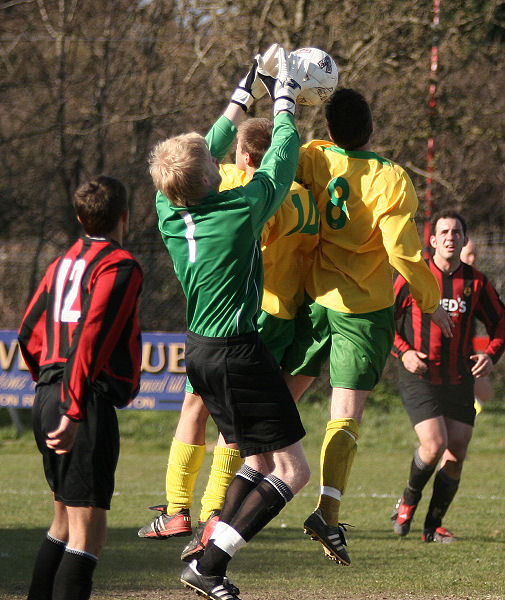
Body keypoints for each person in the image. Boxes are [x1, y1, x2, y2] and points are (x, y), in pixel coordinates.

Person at [149, 48, 317, 600]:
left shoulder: (169, 209)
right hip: (237, 351)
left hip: (199, 352)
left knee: (256, 460)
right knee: (292, 473)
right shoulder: (239, 210)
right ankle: (212, 562)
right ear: (211, 174)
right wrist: (286, 98)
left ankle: (208, 546)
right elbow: (283, 159)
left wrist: (244, 93)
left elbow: (204, 151)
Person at [280, 87, 454, 565]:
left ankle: (221, 498)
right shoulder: (390, 177)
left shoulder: (315, 157)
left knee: (275, 402)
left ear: (329, 129)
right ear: (371, 127)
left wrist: (285, 100)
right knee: (345, 414)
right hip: (363, 310)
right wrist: (429, 299)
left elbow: (278, 162)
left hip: (314, 299)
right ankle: (327, 514)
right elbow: (401, 250)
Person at [18, 176, 143, 600]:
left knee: (63, 524)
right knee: (87, 536)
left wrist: (49, 389)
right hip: (82, 403)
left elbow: (28, 330)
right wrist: (73, 408)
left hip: (48, 394)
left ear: (78, 218)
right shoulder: (119, 264)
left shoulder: (61, 262)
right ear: (124, 217)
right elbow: (92, 335)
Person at [391, 210, 505, 543]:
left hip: (459, 379)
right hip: (421, 375)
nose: (449, 237)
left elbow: (501, 322)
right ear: (432, 240)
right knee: (434, 444)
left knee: (456, 451)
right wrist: (405, 352)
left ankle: (432, 528)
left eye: (456, 232)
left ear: (464, 239)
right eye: (443, 232)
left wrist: (491, 354)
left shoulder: (476, 282)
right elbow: (384, 322)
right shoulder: (414, 277)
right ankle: (408, 501)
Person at [459, 238, 495, 413]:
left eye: (475, 255)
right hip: (445, 347)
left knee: (486, 393)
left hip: (467, 345)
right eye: (469, 255)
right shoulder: (444, 280)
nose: (473, 259)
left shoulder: (477, 281)